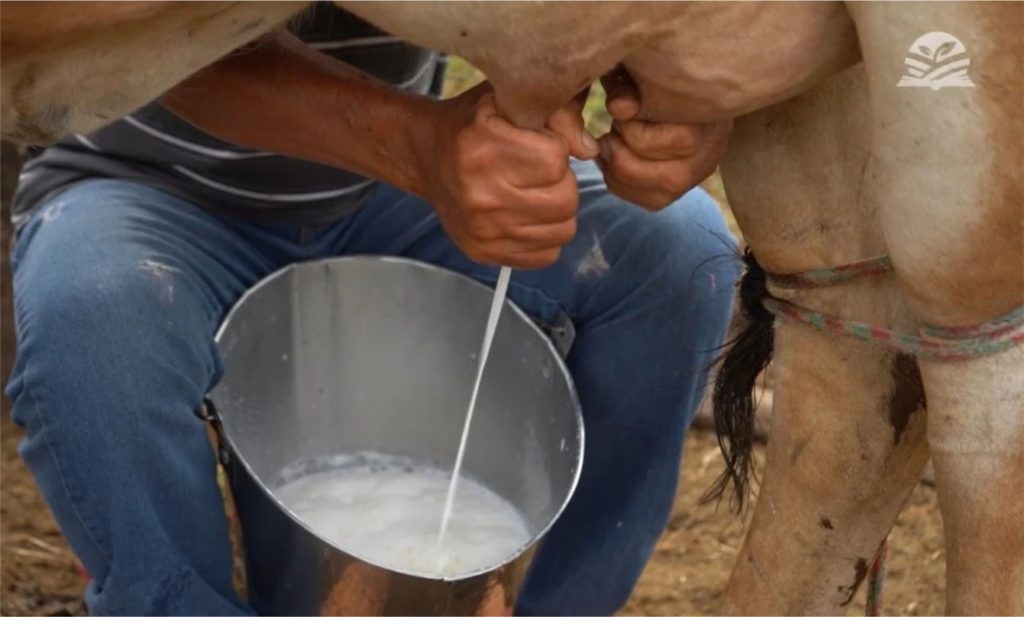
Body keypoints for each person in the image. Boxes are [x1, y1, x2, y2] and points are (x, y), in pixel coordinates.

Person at [6, 5, 738, 615]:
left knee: (676, 254)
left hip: (377, 191)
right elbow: (167, 38)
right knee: (92, 316)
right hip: (145, 187)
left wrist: (676, 99)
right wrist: (423, 149)